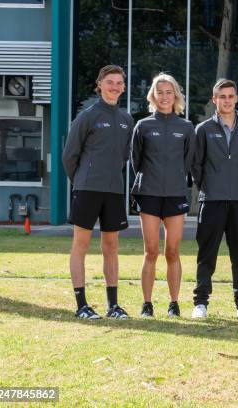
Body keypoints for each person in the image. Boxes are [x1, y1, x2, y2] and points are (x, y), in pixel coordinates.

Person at [62, 65, 134, 319]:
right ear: (99, 84)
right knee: (80, 244)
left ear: (123, 87)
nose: (114, 86)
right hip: (87, 189)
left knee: (111, 246)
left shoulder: (127, 120)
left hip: (113, 191)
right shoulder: (87, 116)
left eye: (119, 83)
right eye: (110, 82)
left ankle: (113, 305)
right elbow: (69, 155)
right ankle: (81, 305)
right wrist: (81, 180)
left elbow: (124, 156)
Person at [190, 79, 238, 319]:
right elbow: (196, 165)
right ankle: (200, 302)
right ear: (214, 100)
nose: (227, 100)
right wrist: (210, 185)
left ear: (236, 98)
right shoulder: (203, 129)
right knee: (207, 253)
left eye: (231, 96)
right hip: (212, 201)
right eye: (222, 96)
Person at [131, 73, 195, 318]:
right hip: (149, 194)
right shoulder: (143, 126)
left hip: (175, 195)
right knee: (151, 252)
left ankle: (174, 303)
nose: (165, 97)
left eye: (169, 92)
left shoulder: (186, 127)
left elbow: (188, 162)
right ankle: (147, 304)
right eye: (160, 92)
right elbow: (136, 161)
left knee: (172, 252)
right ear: (153, 96)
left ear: (176, 95)